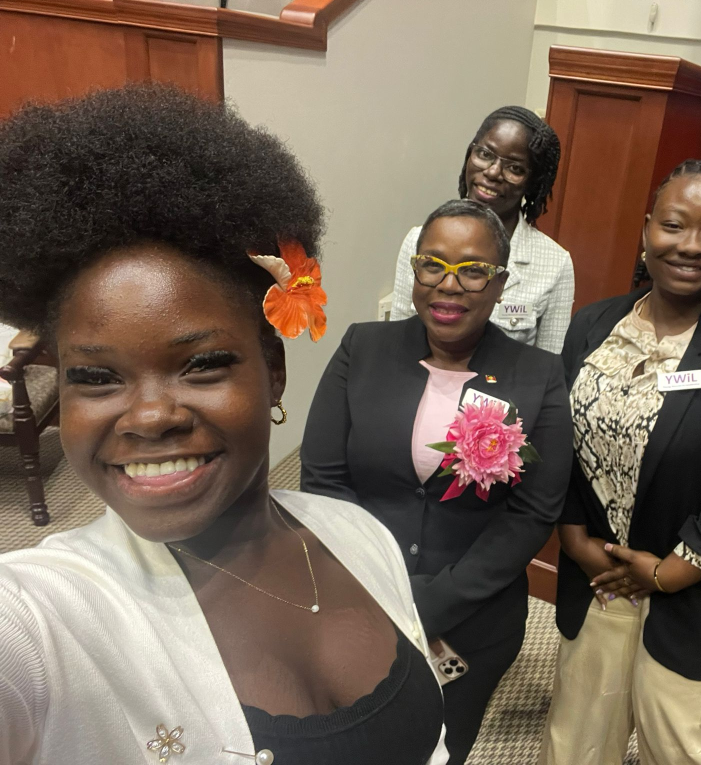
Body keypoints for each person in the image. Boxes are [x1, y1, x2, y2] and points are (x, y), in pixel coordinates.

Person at [0, 87, 447, 765]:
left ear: (274, 368)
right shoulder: (41, 621)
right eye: (95, 376)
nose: (150, 416)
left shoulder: (359, 537)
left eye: (201, 364)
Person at [540, 160, 701, 765]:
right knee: (576, 738)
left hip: (698, 591)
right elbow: (560, 438)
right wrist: (575, 536)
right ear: (645, 230)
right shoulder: (594, 324)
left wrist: (669, 572)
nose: (691, 246)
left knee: (683, 747)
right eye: (674, 225)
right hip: (601, 575)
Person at [301, 199, 573, 765]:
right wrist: (378, 590)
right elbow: (324, 480)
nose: (450, 285)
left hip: (472, 617)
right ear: (415, 270)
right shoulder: (362, 347)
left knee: (440, 748)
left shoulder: (539, 377)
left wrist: (431, 602)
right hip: (357, 598)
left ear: (499, 285)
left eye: (473, 270)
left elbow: (532, 513)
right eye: (434, 264)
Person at [389, 106, 574, 353]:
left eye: (515, 168)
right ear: (470, 155)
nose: (493, 172)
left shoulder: (555, 263)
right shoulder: (417, 241)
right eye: (485, 154)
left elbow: (550, 366)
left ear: (532, 182)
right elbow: (397, 342)